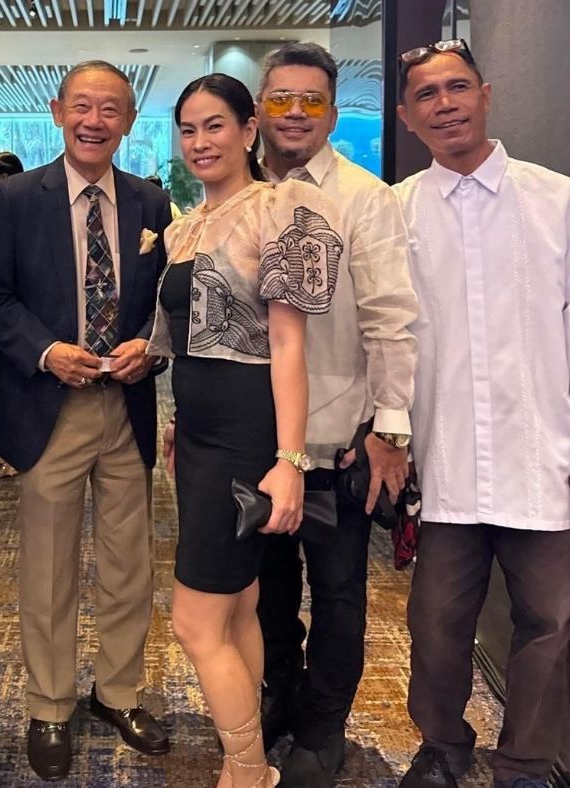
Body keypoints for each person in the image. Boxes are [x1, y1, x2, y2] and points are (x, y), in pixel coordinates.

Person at [0, 60, 172, 782]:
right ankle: (49, 704)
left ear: (129, 121)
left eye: (111, 109)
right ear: (58, 110)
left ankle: (117, 692)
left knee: (129, 563)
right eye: (82, 106)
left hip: (126, 403)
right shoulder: (15, 199)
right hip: (50, 404)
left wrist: (148, 347)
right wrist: (45, 350)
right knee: (49, 565)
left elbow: (167, 300)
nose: (95, 121)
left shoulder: (152, 201)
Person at [149, 73, 343, 788]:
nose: (201, 142)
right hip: (199, 430)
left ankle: (245, 770)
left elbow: (288, 346)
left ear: (248, 130)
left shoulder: (279, 208)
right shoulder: (184, 226)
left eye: (216, 126)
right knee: (237, 609)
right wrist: (178, 417)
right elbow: (191, 340)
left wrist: (290, 459)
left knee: (194, 624)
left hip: (247, 431)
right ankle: (252, 762)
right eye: (189, 129)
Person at [393, 39, 570, 788]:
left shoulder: (557, 201)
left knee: (552, 625)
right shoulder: (396, 212)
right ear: (406, 116)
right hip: (446, 459)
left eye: (457, 87)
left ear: (486, 94)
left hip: (545, 455)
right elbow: (386, 337)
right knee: (436, 625)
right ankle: (442, 745)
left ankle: (526, 762)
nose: (445, 105)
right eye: (426, 95)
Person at [252, 42, 419, 788]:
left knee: (339, 591)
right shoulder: (239, 191)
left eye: (310, 100)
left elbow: (391, 319)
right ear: (260, 107)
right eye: (280, 98)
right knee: (266, 589)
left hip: (337, 437)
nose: (294, 113)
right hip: (253, 438)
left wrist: (389, 429)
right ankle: (280, 695)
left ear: (332, 111)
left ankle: (324, 727)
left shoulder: (364, 197)